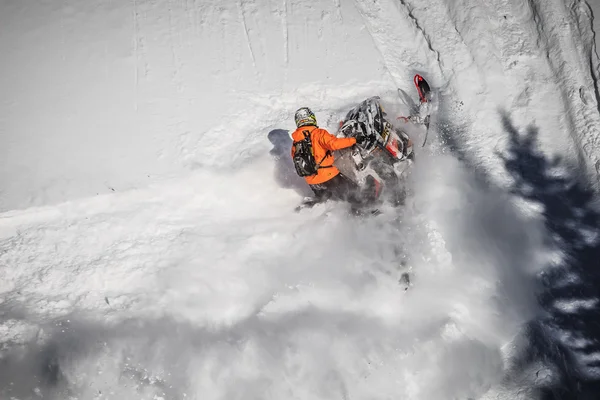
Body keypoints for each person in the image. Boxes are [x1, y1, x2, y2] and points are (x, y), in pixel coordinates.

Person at [290, 107, 365, 204]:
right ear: (311, 118)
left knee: (325, 198)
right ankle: (367, 213)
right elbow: (334, 144)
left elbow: (295, 158)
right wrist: (354, 140)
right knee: (355, 194)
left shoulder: (296, 142)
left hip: (312, 182)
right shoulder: (318, 133)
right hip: (329, 177)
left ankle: (316, 208)